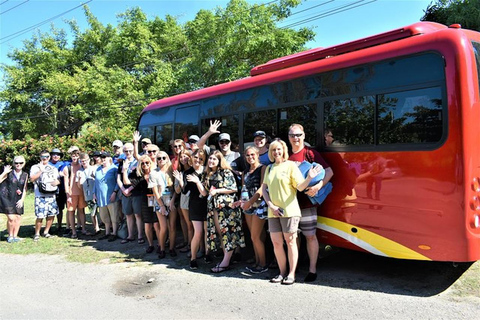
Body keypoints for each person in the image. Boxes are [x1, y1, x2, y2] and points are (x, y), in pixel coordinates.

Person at [261, 140, 323, 285]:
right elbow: (264, 189)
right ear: (271, 152)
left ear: (284, 150)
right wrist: (271, 205)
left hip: (289, 210)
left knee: (290, 242)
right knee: (276, 243)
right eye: (274, 150)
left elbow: (300, 187)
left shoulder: (290, 166)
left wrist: (309, 178)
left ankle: (291, 274)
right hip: (273, 212)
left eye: (279, 149)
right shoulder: (269, 168)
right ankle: (281, 272)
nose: (276, 152)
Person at [288, 123, 334, 283]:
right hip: (290, 204)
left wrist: (317, 186)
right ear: (289, 137)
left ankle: (312, 270)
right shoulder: (285, 156)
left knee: (310, 236)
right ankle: (294, 267)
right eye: (293, 135)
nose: (296, 138)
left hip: (307, 204)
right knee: (293, 237)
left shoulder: (310, 153)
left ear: (304, 136)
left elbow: (329, 172)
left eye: (298, 135)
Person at [201, 150, 245, 273]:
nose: (211, 161)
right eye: (210, 158)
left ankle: (225, 262)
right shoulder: (207, 174)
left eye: (214, 159)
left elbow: (233, 188)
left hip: (227, 208)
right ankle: (226, 258)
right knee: (220, 233)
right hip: (213, 207)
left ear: (220, 161)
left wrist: (218, 191)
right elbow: (205, 192)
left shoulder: (226, 172)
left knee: (228, 233)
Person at [173, 149, 208, 269]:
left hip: (207, 204)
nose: (197, 160)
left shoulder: (207, 171)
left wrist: (198, 182)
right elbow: (185, 191)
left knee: (207, 232)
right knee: (198, 232)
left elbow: (206, 191)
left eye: (200, 158)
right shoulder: (188, 173)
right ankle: (193, 258)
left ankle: (207, 254)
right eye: (195, 158)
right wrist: (181, 182)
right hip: (195, 205)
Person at [239, 146, 268, 273]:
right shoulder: (245, 172)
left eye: (252, 155)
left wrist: (251, 201)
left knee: (255, 236)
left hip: (258, 205)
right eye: (248, 155)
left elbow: (262, 188)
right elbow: (243, 189)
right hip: (247, 206)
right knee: (254, 237)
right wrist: (242, 202)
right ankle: (257, 261)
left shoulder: (263, 168)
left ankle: (263, 264)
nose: (250, 157)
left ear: (257, 155)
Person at [123, 155, 160, 254]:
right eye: (142, 163)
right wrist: (124, 171)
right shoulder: (138, 174)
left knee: (156, 224)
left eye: (147, 162)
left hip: (156, 199)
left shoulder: (155, 172)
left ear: (150, 163)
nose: (145, 165)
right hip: (145, 200)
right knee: (147, 224)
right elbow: (127, 182)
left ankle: (160, 245)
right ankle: (151, 245)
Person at [30, 150, 61, 241]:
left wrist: (57, 183)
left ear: (49, 157)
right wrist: (41, 171)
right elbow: (31, 179)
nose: (45, 158)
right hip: (40, 195)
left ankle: (46, 232)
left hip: (51, 194)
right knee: (40, 216)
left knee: (51, 214)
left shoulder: (53, 168)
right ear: (40, 157)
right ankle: (37, 233)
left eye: (47, 157)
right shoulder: (35, 167)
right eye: (43, 157)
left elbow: (58, 180)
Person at [117, 142, 144, 245]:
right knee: (128, 215)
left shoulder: (137, 162)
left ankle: (140, 235)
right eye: (125, 151)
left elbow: (140, 178)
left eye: (130, 150)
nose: (128, 153)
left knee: (138, 214)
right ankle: (130, 235)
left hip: (136, 192)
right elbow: (118, 178)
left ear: (133, 151)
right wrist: (123, 189)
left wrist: (130, 189)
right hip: (125, 193)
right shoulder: (121, 162)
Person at [154, 151, 177, 256]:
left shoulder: (171, 171)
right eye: (159, 158)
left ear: (167, 158)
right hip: (160, 201)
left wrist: (173, 200)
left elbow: (176, 189)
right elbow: (155, 192)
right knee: (163, 227)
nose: (161, 160)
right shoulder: (154, 172)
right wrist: (162, 206)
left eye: (164, 158)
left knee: (172, 226)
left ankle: (172, 248)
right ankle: (162, 248)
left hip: (171, 200)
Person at [0, 156, 28, 243]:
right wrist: (4, 172)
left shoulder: (25, 174)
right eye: (16, 163)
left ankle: (15, 236)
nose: (18, 165)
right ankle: (10, 236)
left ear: (23, 163)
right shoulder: (9, 173)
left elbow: (24, 188)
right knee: (11, 218)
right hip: (6, 197)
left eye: (20, 163)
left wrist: (22, 200)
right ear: (13, 163)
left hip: (18, 198)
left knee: (18, 217)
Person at [64, 146, 89, 239]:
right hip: (72, 193)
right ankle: (73, 231)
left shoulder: (81, 166)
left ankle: (83, 228)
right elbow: (66, 183)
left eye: (76, 156)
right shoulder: (67, 168)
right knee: (71, 211)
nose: (75, 158)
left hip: (81, 192)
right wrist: (68, 195)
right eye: (73, 156)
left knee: (82, 211)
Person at [94, 152, 119, 242]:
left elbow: (118, 182)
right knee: (104, 216)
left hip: (111, 196)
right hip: (101, 197)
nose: (103, 159)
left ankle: (114, 233)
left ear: (109, 158)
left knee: (114, 215)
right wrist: (94, 193)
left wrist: (114, 192)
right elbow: (96, 183)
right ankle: (107, 232)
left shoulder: (114, 169)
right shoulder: (98, 169)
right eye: (102, 157)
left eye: (105, 157)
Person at [174, 149, 194, 254]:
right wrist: (179, 181)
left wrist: (182, 182)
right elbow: (178, 190)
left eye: (185, 156)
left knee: (195, 225)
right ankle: (189, 245)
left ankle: (194, 246)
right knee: (188, 224)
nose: (183, 159)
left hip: (194, 200)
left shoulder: (194, 169)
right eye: (181, 157)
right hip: (184, 200)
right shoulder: (180, 172)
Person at [78, 153, 100, 235]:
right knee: (92, 212)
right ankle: (96, 227)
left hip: (97, 192)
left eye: (85, 161)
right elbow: (79, 186)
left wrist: (94, 176)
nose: (84, 163)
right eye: (82, 161)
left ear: (88, 160)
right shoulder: (80, 171)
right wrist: (80, 179)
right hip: (88, 193)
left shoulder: (94, 168)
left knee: (101, 210)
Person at [49, 148, 68, 235]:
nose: (56, 156)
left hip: (61, 190)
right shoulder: (47, 164)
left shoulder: (63, 164)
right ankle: (48, 227)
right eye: (54, 154)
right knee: (49, 209)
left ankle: (59, 225)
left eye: (58, 154)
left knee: (60, 209)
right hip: (49, 190)